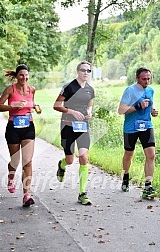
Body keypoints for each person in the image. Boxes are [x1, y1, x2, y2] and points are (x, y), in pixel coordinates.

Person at [0, 64, 41, 207]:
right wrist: (13, 106)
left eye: (26, 75)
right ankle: (11, 176)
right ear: (16, 76)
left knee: (27, 162)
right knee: (15, 161)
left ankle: (26, 195)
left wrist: (36, 107)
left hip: (28, 127)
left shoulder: (32, 90)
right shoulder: (10, 89)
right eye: (21, 75)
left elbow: (31, 103)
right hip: (13, 127)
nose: (24, 77)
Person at [53, 61, 95, 205]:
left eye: (88, 71)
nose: (86, 73)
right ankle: (62, 165)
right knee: (70, 160)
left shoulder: (90, 89)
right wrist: (71, 111)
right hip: (68, 126)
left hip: (83, 127)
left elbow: (90, 103)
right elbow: (56, 105)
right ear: (77, 71)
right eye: (83, 70)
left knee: (83, 157)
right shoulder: (69, 87)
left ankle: (82, 193)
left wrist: (89, 112)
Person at [118, 67, 158, 197]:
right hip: (131, 128)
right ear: (137, 79)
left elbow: (150, 104)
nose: (147, 81)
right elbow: (121, 110)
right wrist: (138, 106)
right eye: (144, 79)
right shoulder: (130, 91)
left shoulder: (151, 90)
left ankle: (148, 187)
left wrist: (153, 110)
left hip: (146, 125)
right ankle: (125, 175)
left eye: (148, 78)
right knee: (129, 154)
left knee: (151, 155)